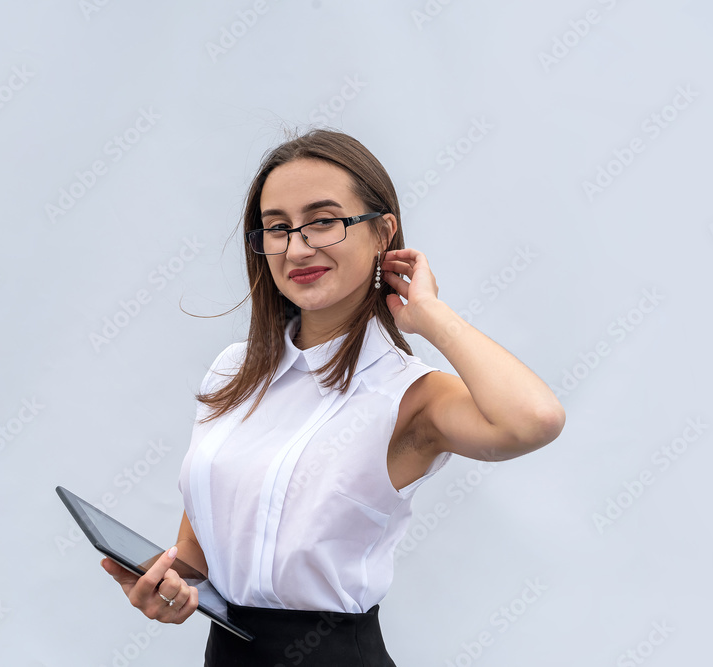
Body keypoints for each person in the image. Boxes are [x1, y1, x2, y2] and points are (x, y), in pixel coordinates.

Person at [101, 129, 566, 665]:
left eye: (324, 221)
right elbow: (199, 557)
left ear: (382, 232)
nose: (297, 247)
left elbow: (535, 419)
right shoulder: (232, 372)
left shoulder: (410, 396)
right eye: (277, 228)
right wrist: (165, 585)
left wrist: (430, 317)